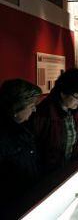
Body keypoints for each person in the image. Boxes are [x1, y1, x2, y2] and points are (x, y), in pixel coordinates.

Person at [31, 68, 78, 173]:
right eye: (77, 97)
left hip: (68, 170)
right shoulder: (43, 114)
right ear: (63, 93)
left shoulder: (75, 111)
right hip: (48, 175)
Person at [0, 79, 42, 214]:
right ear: (17, 107)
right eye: (31, 105)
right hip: (12, 206)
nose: (35, 109)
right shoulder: (4, 137)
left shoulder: (22, 128)